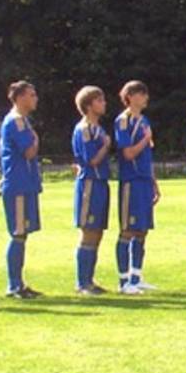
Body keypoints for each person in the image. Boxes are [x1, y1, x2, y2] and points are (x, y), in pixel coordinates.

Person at [0, 81, 44, 298]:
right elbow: (29, 152)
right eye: (31, 94)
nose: (35, 98)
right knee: (18, 234)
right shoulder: (16, 121)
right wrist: (35, 139)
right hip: (18, 185)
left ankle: (19, 283)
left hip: (25, 184)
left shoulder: (23, 121)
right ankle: (14, 285)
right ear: (19, 98)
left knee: (23, 234)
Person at [114, 80, 159, 294]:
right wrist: (145, 140)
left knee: (142, 230)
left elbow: (147, 155)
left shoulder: (144, 121)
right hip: (131, 181)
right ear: (130, 97)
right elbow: (128, 153)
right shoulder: (124, 121)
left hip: (144, 180)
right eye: (141, 94)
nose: (145, 98)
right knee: (128, 229)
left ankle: (136, 277)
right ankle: (123, 281)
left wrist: (154, 182)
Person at [71, 86, 111, 295]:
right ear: (88, 105)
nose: (104, 104)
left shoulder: (98, 128)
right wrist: (106, 146)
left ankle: (90, 279)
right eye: (99, 100)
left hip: (101, 182)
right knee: (89, 231)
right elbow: (91, 160)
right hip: (90, 183)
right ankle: (82, 282)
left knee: (97, 232)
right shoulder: (85, 129)